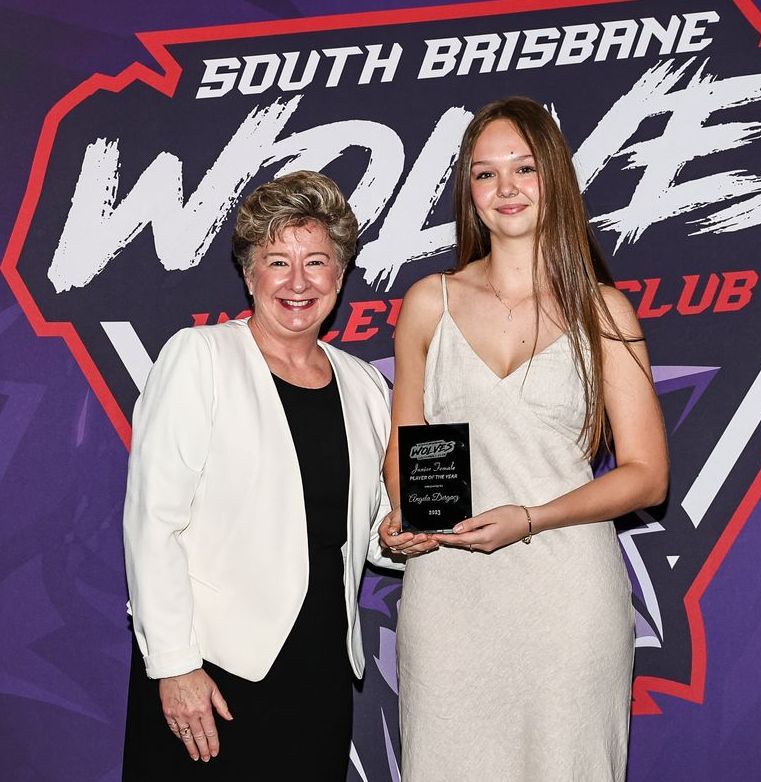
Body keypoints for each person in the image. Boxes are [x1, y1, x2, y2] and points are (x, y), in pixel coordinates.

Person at [380, 97, 669, 780]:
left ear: (556, 179)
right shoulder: (429, 302)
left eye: (524, 168)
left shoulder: (603, 311)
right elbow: (405, 446)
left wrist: (532, 518)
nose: (505, 188)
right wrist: (405, 519)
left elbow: (646, 476)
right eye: (485, 174)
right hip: (449, 595)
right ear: (468, 192)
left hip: (566, 596)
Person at [122, 170, 399, 780]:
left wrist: (415, 534)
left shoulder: (364, 383)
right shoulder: (201, 358)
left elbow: (376, 529)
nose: (298, 282)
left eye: (317, 262)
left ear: (341, 274)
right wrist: (173, 664)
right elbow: (153, 521)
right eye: (277, 261)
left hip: (321, 669)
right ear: (249, 274)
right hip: (212, 672)